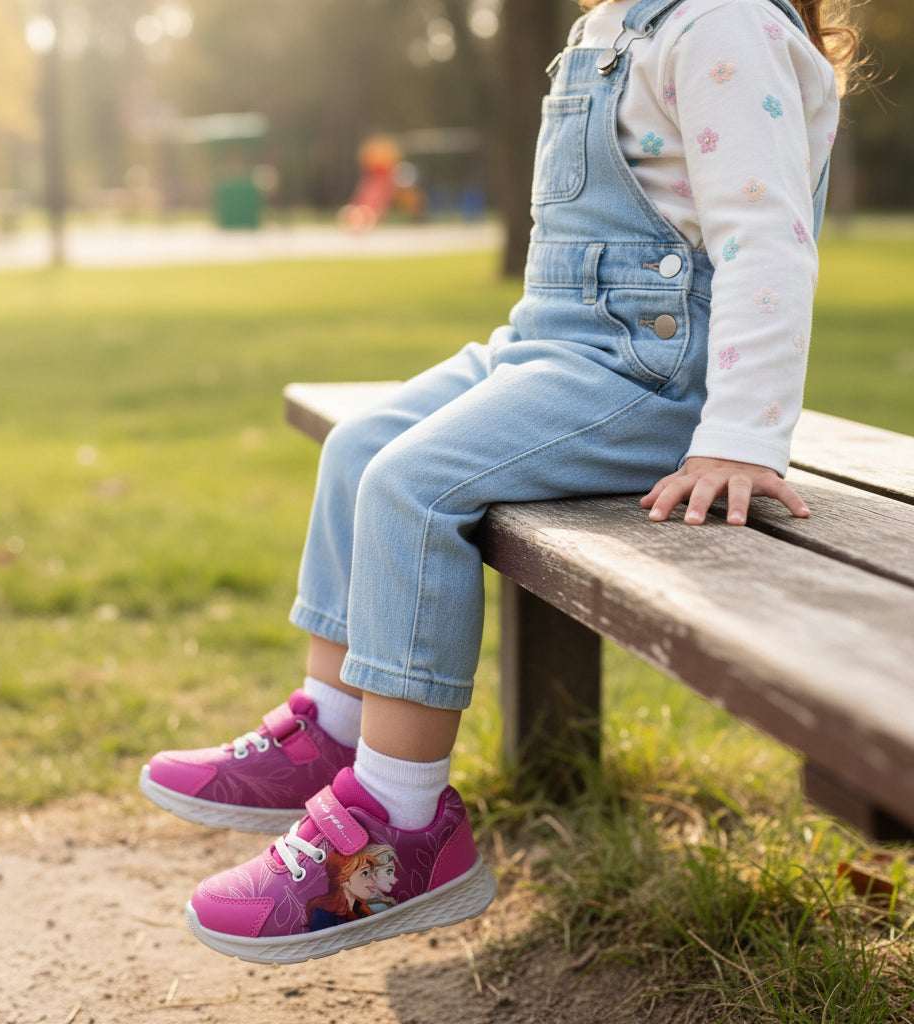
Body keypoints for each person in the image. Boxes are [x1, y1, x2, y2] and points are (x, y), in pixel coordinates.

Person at [140, 0, 860, 965]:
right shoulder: (616, 25)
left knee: (411, 486)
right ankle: (337, 730)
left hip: (647, 379)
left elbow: (765, 241)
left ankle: (401, 826)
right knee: (360, 445)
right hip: (549, 348)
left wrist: (741, 436)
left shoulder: (724, 25)